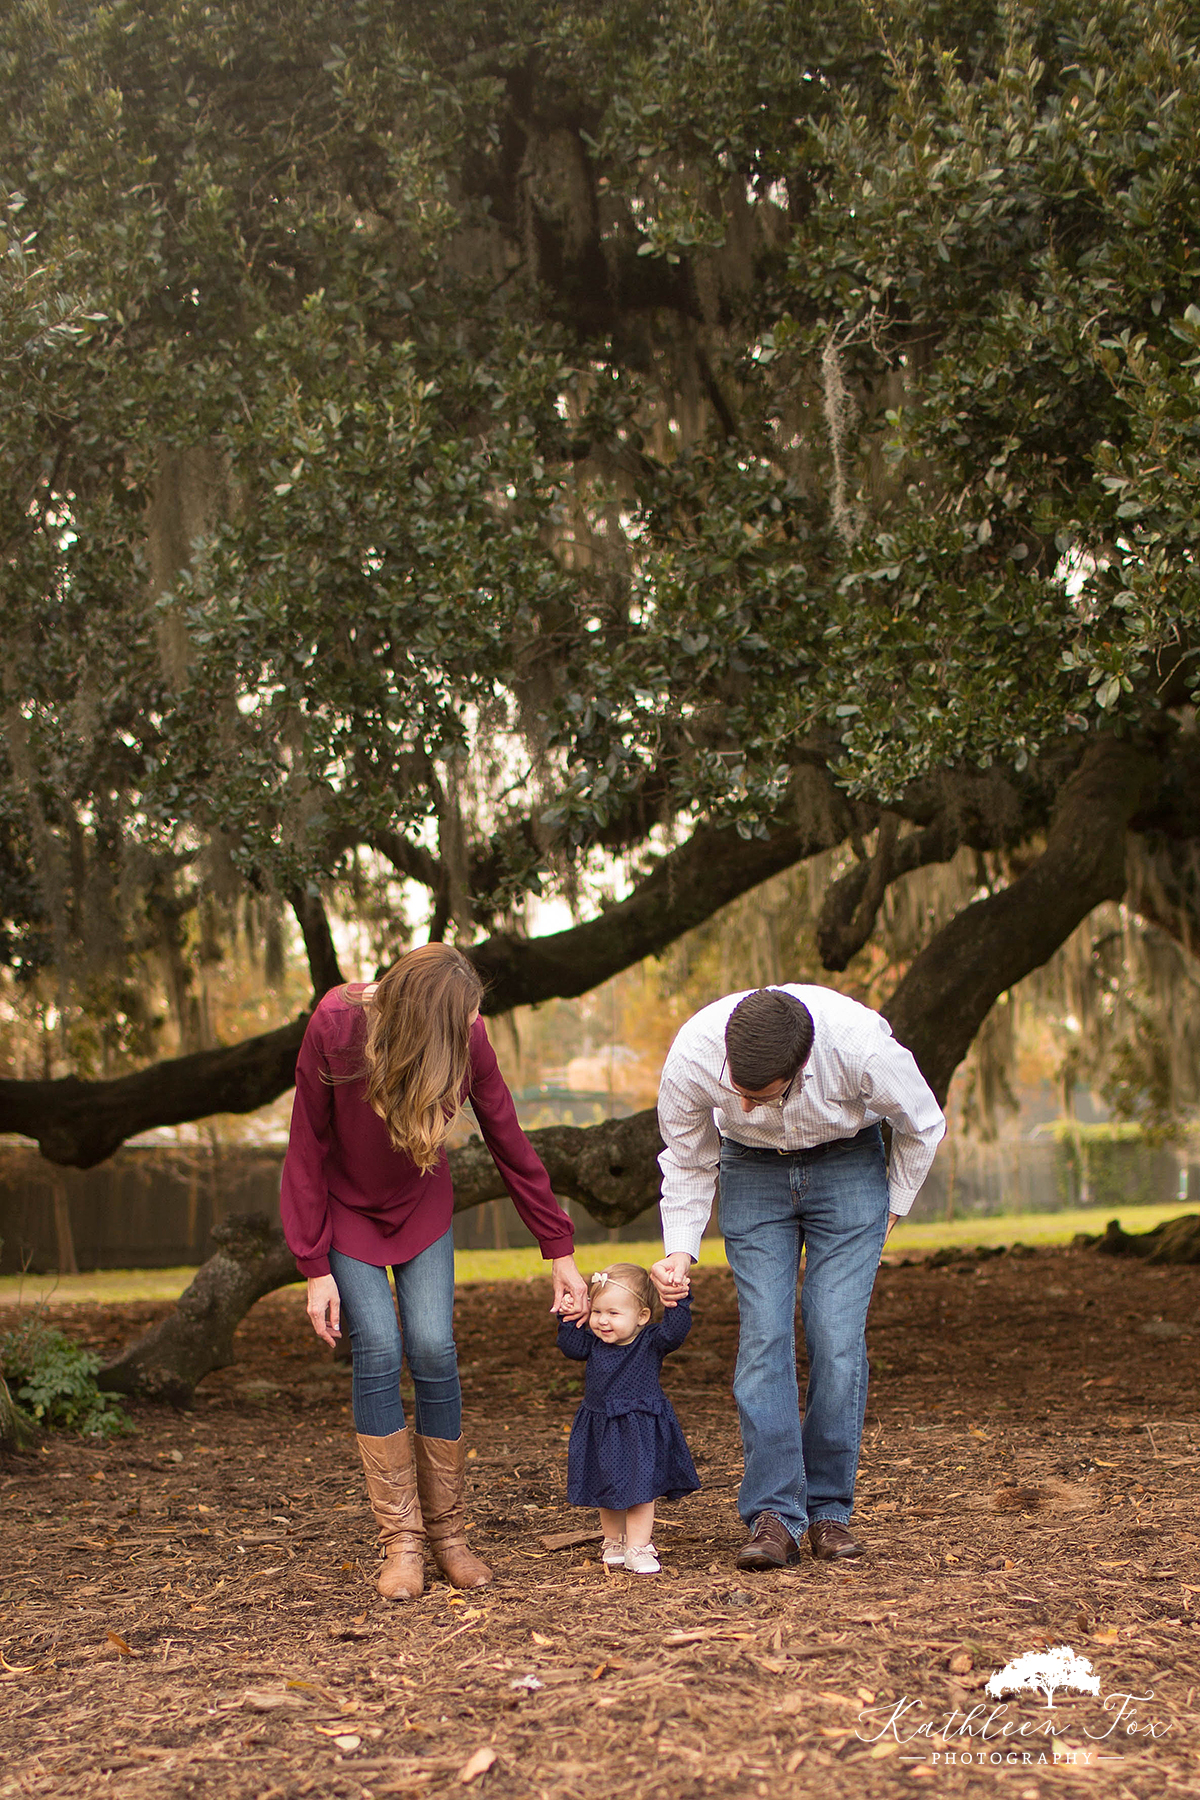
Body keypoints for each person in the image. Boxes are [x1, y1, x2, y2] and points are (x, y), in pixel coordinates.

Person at [280, 943, 588, 1601]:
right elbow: (306, 1144)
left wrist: (557, 1247)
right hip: (347, 1216)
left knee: (433, 1348)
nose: (472, 1029)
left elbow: (508, 1136)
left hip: (420, 1202)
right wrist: (313, 1263)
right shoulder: (335, 1024)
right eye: (462, 1021)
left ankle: (450, 1537)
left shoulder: (467, 1034)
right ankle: (402, 1544)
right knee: (381, 1351)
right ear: (422, 1017)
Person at [650, 985, 944, 1571]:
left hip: (848, 1165)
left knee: (835, 1335)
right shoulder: (694, 1055)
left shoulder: (862, 1050)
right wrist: (680, 1251)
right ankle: (775, 1514)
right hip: (751, 1173)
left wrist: (893, 1207)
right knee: (764, 1335)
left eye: (761, 1096)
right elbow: (686, 1157)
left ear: (800, 1068)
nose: (747, 1103)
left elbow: (923, 1122)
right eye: (738, 1090)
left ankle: (830, 1509)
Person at [556, 1262, 699, 1574]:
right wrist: (568, 1316)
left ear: (642, 1317)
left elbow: (676, 1332)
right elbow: (569, 1346)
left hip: (640, 1427)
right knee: (607, 1487)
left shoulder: (650, 1342)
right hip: (602, 1425)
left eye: (614, 1314)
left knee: (640, 1490)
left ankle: (638, 1546)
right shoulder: (592, 1344)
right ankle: (614, 1542)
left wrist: (677, 1300)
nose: (603, 1321)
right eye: (598, 1312)